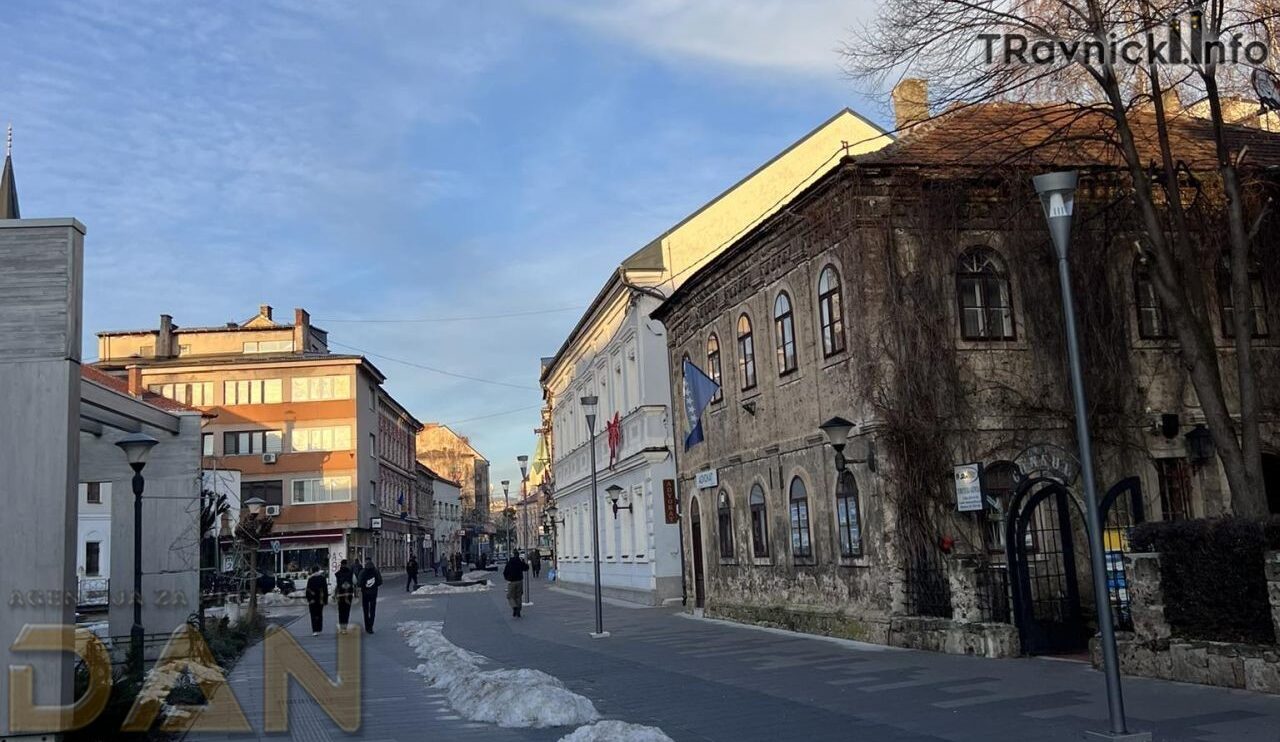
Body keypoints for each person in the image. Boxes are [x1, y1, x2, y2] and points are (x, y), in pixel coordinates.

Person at [359, 560, 383, 633]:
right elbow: (380, 581)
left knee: (365, 610)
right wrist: (374, 586)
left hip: (365, 593)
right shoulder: (376, 571)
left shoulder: (363, 572)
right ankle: (371, 626)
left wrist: (363, 586)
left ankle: (367, 626)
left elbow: (359, 582)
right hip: (373, 593)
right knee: (372, 610)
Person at [304, 564, 328, 636]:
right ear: (318, 570)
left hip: (313, 600)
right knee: (319, 614)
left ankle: (314, 630)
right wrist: (325, 600)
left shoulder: (310, 579)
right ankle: (319, 628)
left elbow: (308, 590)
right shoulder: (322, 578)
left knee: (313, 614)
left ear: (312, 571)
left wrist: (309, 599)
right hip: (320, 599)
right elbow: (325, 590)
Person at [503, 553, 528, 618]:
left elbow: (505, 572)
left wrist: (507, 578)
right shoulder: (519, 562)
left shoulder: (509, 563)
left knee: (510, 596)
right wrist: (523, 562)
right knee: (518, 596)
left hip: (511, 582)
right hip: (519, 581)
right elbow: (526, 568)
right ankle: (518, 611)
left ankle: (514, 606)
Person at [334, 559, 355, 633]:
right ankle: (345, 628)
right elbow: (355, 582)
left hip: (340, 594)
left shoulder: (337, 574)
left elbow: (336, 585)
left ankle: (341, 627)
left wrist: (335, 594)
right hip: (348, 594)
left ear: (341, 564)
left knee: (341, 611)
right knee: (347, 611)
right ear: (346, 564)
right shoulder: (351, 573)